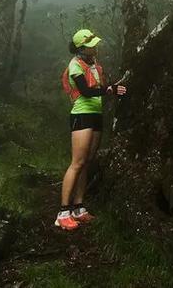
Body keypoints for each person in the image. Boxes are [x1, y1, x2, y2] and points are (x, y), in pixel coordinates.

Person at [55, 28, 126, 230]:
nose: (95, 46)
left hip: (96, 114)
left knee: (87, 162)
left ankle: (79, 208)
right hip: (82, 115)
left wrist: (114, 88)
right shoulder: (75, 65)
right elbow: (86, 91)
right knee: (77, 163)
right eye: (91, 44)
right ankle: (63, 212)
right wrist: (108, 90)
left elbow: (100, 88)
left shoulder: (94, 64)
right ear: (82, 47)